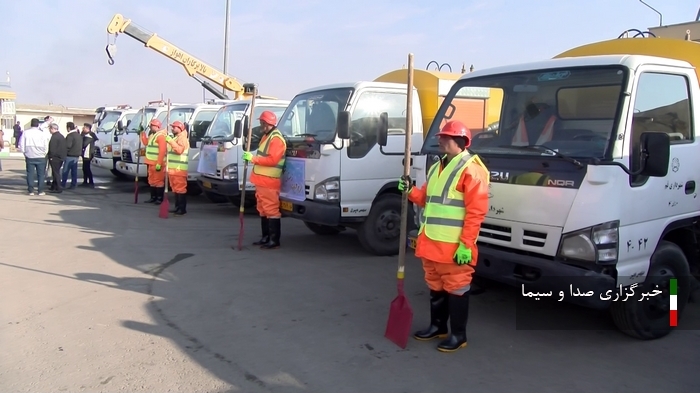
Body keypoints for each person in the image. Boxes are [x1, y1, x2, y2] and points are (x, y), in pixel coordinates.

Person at [398, 120, 489, 353]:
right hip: (431, 243)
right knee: (436, 287)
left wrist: (466, 245)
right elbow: (426, 199)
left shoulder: (472, 170)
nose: (440, 140)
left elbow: (476, 212)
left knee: (457, 289)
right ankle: (438, 327)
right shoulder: (436, 167)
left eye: (445, 137)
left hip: (454, 246)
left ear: (459, 142)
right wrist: (410, 191)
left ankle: (458, 335)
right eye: (441, 137)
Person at [242, 110, 287, 249]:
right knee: (263, 210)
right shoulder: (267, 136)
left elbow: (273, 160)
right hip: (261, 181)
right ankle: (266, 237)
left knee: (271, 210)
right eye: (261, 122)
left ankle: (274, 240)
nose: (261, 125)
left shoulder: (276, 139)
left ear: (268, 124)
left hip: (269, 182)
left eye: (262, 123)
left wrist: (253, 158)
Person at [19, 118, 50, 196]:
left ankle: (31, 191)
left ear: (31, 124)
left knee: (30, 174)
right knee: (41, 174)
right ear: (38, 125)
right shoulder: (42, 133)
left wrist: (25, 153)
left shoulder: (25, 133)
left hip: (29, 156)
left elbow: (21, 144)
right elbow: (46, 145)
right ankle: (40, 191)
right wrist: (44, 153)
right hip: (41, 156)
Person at [165, 121, 189, 216]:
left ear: (180, 128)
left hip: (179, 169)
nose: (172, 129)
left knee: (180, 189)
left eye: (174, 127)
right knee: (176, 189)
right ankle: (177, 207)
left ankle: (182, 209)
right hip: (173, 170)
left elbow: (179, 150)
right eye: (172, 127)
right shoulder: (176, 138)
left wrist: (170, 141)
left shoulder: (182, 139)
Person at [142, 118, 168, 204]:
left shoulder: (161, 136)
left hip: (157, 163)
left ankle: (159, 198)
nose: (150, 127)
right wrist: (142, 133)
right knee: (151, 180)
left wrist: (159, 163)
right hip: (150, 162)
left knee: (158, 181)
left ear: (156, 126)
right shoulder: (152, 135)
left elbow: (162, 151)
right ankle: (153, 197)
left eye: (151, 126)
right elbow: (145, 143)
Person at [47, 123, 67, 193]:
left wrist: (51, 156)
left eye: (50, 129)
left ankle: (59, 187)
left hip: (55, 157)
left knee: (56, 173)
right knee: (55, 172)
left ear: (53, 129)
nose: (49, 130)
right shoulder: (61, 136)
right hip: (60, 157)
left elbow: (52, 148)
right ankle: (54, 186)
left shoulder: (54, 137)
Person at [62, 122, 82, 189]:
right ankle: (73, 184)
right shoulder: (78, 135)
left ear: (68, 128)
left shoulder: (70, 136)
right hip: (76, 155)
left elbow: (68, 146)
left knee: (65, 171)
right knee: (74, 171)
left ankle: (63, 184)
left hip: (69, 155)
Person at [81, 123, 97, 187]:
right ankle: (85, 181)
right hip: (85, 154)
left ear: (87, 129)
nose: (83, 129)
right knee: (84, 168)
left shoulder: (90, 136)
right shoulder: (85, 135)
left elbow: (84, 144)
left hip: (88, 154)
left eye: (84, 128)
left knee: (87, 168)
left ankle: (91, 182)